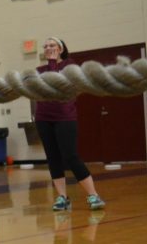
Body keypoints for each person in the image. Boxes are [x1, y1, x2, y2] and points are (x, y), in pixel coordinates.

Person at [36, 37, 105, 211]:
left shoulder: (71, 67)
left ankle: (93, 195)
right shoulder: (39, 70)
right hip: (43, 117)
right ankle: (62, 197)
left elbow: (57, 84)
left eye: (52, 45)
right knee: (53, 158)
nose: (48, 48)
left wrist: (52, 62)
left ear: (60, 49)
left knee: (71, 155)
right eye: (45, 46)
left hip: (64, 117)